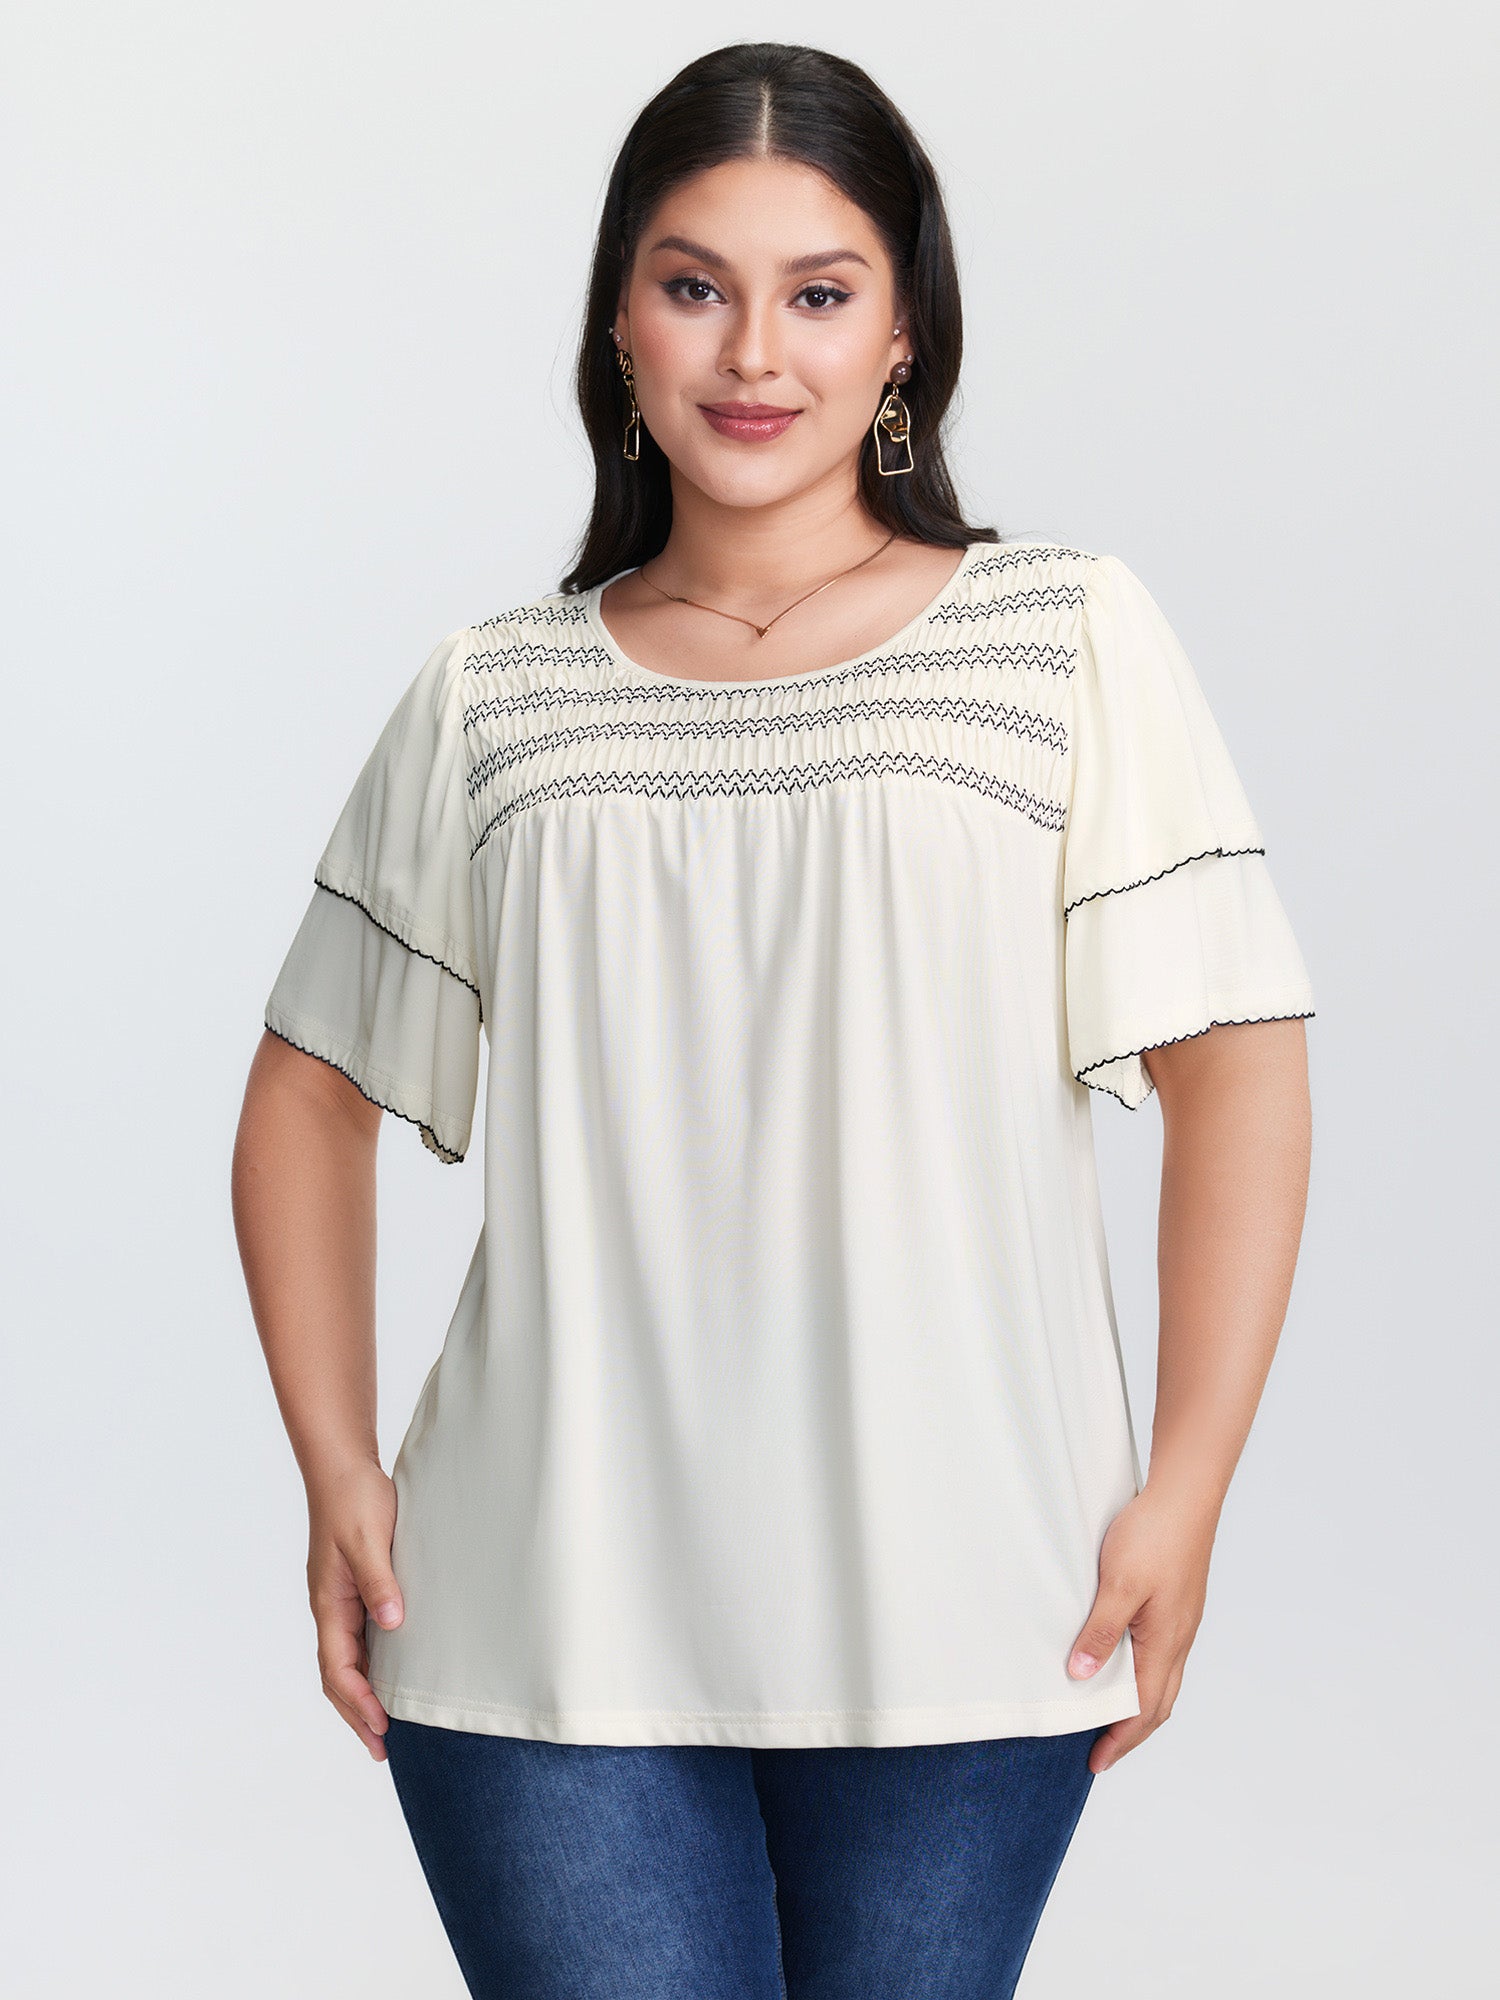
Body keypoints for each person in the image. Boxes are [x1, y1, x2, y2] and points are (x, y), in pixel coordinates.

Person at [231, 40, 1316, 2000]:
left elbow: (1235, 1060)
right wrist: (337, 1465)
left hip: (977, 1607)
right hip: (538, 1614)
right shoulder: (495, 698)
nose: (754, 353)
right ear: (619, 322)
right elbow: (308, 1092)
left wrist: (1190, 1481)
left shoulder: (1062, 639)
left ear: (903, 335)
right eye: (694, 285)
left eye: (819, 292)